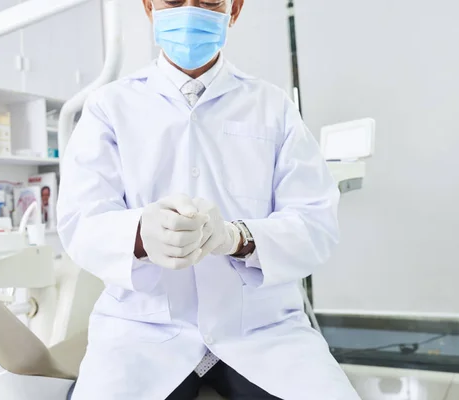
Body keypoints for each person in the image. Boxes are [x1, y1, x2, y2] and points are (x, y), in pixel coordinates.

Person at [57, 0, 360, 399]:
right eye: (173, 1)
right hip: (141, 330)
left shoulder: (273, 107)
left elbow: (316, 221)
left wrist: (238, 238)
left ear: (233, 9)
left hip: (262, 328)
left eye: (208, 1)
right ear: (149, 6)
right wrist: (141, 234)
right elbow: (81, 220)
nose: (189, 12)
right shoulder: (109, 107)